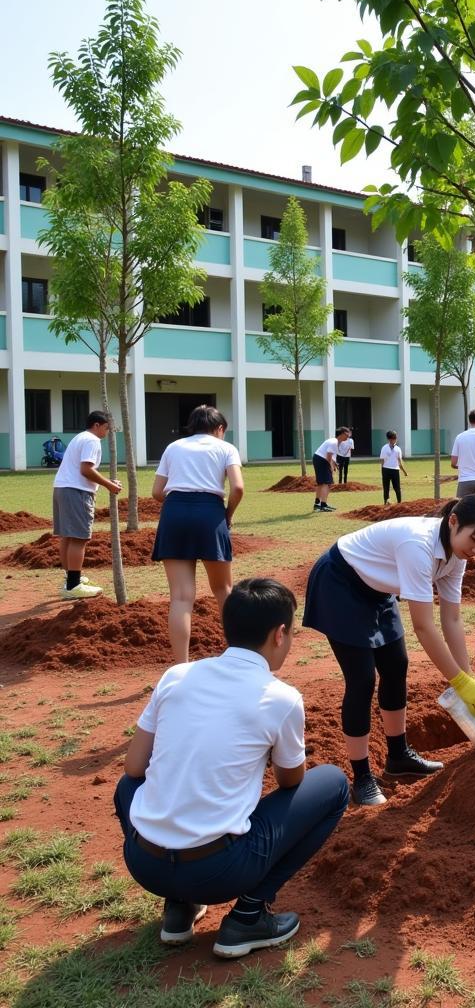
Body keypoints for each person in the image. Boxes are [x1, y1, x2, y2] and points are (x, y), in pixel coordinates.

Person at [114, 578, 348, 958]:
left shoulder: (176, 676)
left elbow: (134, 766)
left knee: (128, 786)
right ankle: (248, 916)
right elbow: (291, 780)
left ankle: (178, 907)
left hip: (145, 864)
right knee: (333, 784)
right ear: (280, 634)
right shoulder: (282, 698)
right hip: (218, 871)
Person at [303, 493, 475, 806]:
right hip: (340, 582)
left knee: (396, 665)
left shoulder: (457, 555)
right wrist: (461, 683)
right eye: (474, 539)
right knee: (362, 679)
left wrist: (468, 675)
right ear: (453, 521)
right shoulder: (418, 545)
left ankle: (398, 757)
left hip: (378, 589)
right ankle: (363, 777)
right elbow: (424, 626)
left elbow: (451, 618)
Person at [152, 405, 244, 664]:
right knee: (224, 590)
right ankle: (237, 658)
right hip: (210, 515)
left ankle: (181, 666)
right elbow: (237, 487)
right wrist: (228, 514)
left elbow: (157, 492)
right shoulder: (226, 448)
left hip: (174, 513)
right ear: (220, 428)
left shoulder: (174, 447)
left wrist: (180, 506)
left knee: (181, 597)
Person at [52, 409, 122, 599]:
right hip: (76, 491)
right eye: (106, 428)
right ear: (97, 425)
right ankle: (73, 586)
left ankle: (71, 579)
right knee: (79, 538)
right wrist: (109, 485)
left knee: (68, 536)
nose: (107, 433)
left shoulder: (79, 437)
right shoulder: (92, 440)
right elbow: (86, 469)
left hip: (62, 488)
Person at [312, 428, 345, 513]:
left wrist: (334, 464)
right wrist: (331, 467)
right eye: (347, 434)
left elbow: (331, 456)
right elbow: (328, 456)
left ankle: (317, 504)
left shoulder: (335, 442)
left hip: (318, 458)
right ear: (341, 434)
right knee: (326, 483)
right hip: (322, 460)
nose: (348, 436)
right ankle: (323, 504)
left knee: (321, 482)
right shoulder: (334, 442)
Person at [379, 431, 408, 505]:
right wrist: (382, 469)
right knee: (386, 488)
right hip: (386, 469)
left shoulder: (398, 449)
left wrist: (404, 471)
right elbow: (382, 460)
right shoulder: (384, 448)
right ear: (389, 439)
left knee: (397, 488)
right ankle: (386, 503)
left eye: (395, 438)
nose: (394, 440)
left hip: (395, 470)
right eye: (392, 438)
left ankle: (399, 503)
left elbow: (399, 462)